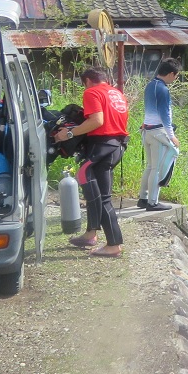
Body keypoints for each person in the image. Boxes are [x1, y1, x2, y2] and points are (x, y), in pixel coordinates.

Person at [53, 68, 129, 258]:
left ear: (87, 80)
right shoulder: (116, 93)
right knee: (98, 192)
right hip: (117, 145)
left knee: (94, 189)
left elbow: (97, 120)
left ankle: (113, 244)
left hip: (102, 146)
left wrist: (68, 133)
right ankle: (90, 234)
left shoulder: (91, 92)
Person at [137, 57, 181, 211]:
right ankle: (152, 202)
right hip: (158, 133)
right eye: (176, 76)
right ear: (170, 73)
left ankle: (143, 198)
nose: (175, 79)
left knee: (150, 167)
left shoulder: (150, 85)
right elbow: (164, 115)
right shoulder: (163, 89)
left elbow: (149, 109)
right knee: (157, 168)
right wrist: (171, 136)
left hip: (147, 130)